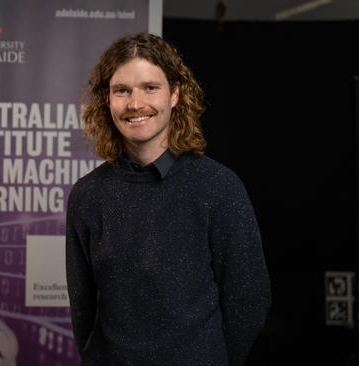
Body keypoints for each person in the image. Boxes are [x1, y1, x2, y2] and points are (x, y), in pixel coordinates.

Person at [65, 33, 271, 366]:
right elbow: (82, 308)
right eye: (122, 90)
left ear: (175, 94)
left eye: (150, 87)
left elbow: (249, 300)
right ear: (107, 100)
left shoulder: (219, 188)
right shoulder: (87, 195)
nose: (135, 103)